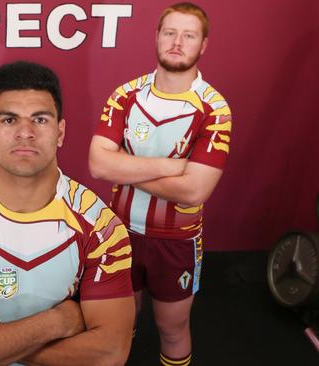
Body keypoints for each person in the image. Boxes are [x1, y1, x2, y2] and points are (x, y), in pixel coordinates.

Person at [0, 61, 134, 366]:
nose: (25, 133)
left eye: (40, 120)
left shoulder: (103, 227)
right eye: (9, 120)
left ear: (61, 131)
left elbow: (109, 353)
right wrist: (57, 322)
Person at [88, 3, 232, 366]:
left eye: (189, 35)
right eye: (170, 32)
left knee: (172, 329)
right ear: (156, 37)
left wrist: (126, 168)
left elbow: (195, 191)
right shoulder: (125, 96)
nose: (177, 42)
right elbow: (98, 164)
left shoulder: (214, 109)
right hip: (120, 233)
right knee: (120, 322)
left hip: (176, 242)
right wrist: (171, 167)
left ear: (204, 45)